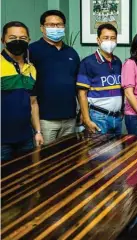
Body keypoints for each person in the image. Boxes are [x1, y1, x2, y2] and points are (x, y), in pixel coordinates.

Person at [28, 10, 80, 144]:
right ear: (42, 28)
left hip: (70, 118)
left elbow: (77, 84)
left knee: (67, 158)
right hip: (45, 120)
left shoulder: (71, 52)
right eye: (51, 25)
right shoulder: (32, 51)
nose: (55, 28)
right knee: (45, 160)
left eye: (59, 25)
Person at [1, 21, 43, 160]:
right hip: (2, 141)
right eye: (12, 38)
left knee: (25, 177)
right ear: (3, 40)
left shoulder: (31, 68)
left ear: (29, 41)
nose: (18, 42)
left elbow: (33, 103)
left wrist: (37, 131)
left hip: (26, 139)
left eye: (23, 38)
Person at [77, 23, 123, 135]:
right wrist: (87, 120)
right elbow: (82, 94)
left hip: (117, 118)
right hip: (98, 117)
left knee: (117, 151)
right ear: (98, 40)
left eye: (113, 38)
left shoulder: (118, 62)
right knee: (98, 151)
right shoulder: (88, 63)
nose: (110, 41)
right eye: (105, 38)